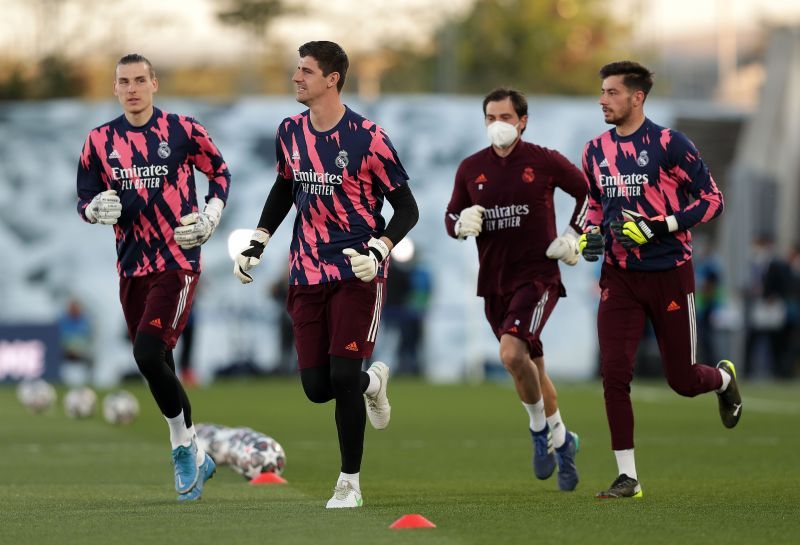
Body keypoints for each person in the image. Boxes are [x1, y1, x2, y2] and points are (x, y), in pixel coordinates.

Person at [233, 41, 419, 508]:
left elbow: (407, 208)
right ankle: (373, 384)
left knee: (341, 376)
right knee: (318, 388)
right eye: (297, 70)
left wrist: (379, 249)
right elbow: (283, 188)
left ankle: (349, 483)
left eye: (306, 71)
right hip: (305, 271)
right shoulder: (289, 131)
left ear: (333, 78)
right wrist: (259, 238)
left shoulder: (369, 137)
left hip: (357, 273)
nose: (297, 78)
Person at [578, 60, 742, 499]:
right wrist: (589, 237)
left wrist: (660, 225)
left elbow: (713, 200)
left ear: (637, 97)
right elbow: (593, 207)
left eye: (611, 92)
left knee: (683, 381)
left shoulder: (671, 143)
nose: (602, 99)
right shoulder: (594, 150)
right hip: (619, 276)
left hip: (670, 273)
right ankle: (627, 477)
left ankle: (723, 380)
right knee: (614, 372)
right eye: (602, 91)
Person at [76, 53, 230, 501]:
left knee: (146, 353)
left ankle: (182, 446)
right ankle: (197, 455)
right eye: (124, 81)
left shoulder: (182, 130)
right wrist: (91, 210)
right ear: (115, 88)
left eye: (140, 80)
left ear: (154, 84)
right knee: (158, 362)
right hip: (131, 266)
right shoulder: (99, 140)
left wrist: (212, 213)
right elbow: (85, 195)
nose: (132, 88)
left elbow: (219, 171)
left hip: (177, 262)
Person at [444, 88, 585, 491]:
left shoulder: (543, 160)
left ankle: (539, 433)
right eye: (490, 117)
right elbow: (451, 213)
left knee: (510, 353)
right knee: (529, 366)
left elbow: (586, 192)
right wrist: (458, 224)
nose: (497, 125)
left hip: (537, 278)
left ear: (522, 121)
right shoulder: (471, 168)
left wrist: (575, 234)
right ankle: (564, 439)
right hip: (494, 284)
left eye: (505, 117)